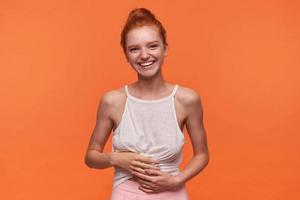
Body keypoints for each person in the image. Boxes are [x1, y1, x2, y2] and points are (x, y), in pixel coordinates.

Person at [84, 8, 209, 200]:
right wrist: (116, 158)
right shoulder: (113, 101)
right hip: (125, 194)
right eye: (134, 49)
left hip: (173, 194)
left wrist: (177, 180)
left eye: (152, 46)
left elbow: (202, 154)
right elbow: (91, 156)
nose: (144, 55)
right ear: (126, 55)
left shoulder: (187, 100)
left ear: (165, 48)